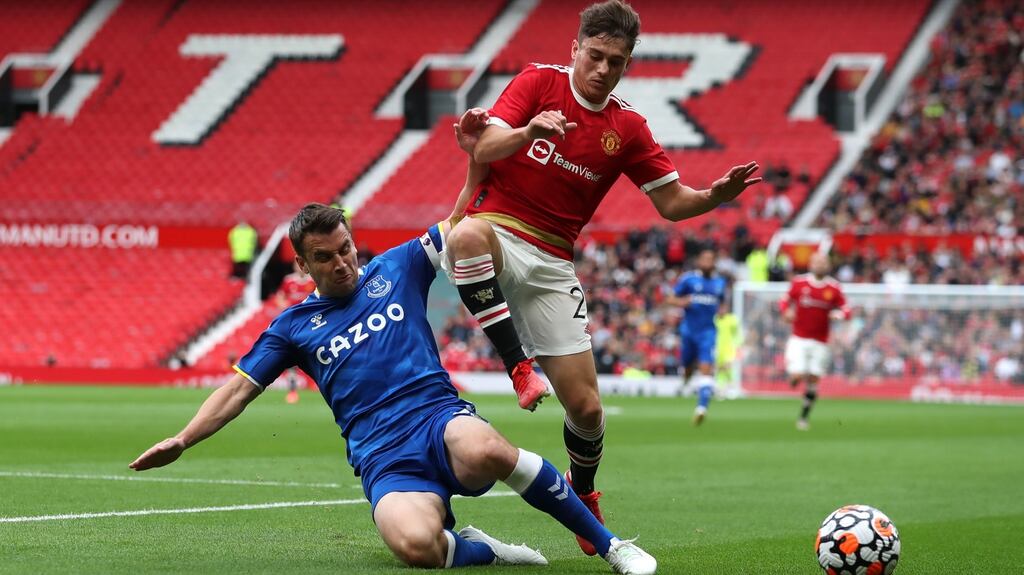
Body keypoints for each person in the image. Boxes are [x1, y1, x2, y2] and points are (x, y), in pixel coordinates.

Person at [129, 204, 657, 574]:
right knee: (416, 548)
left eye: (346, 249)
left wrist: (479, 156)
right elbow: (238, 391)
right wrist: (183, 439)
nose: (342, 263)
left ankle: (612, 548)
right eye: (325, 257)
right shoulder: (292, 327)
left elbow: (459, 221)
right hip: (383, 457)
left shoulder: (397, 268)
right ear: (302, 264)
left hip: (437, 419)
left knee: (489, 447)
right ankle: (485, 550)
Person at [445, 0, 761, 553]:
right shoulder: (537, 83)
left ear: (627, 63)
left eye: (616, 61)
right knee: (462, 238)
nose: (602, 69)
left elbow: (671, 202)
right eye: (595, 55)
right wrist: (527, 130)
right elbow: (483, 146)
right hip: (497, 227)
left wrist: (716, 195)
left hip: (552, 261)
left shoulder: (628, 126)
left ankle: (584, 492)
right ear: (576, 48)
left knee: (588, 409)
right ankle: (518, 365)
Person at [780, 252, 851, 431]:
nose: (820, 265)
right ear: (810, 264)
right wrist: (786, 311)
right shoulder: (799, 283)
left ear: (828, 266)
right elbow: (784, 301)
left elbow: (847, 309)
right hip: (799, 338)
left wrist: (839, 314)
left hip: (821, 341)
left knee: (813, 380)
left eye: (823, 262)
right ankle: (795, 379)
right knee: (798, 374)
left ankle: (803, 416)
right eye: (817, 262)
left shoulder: (834, 288)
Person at [667, 249, 726, 425]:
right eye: (705, 259)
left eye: (711, 259)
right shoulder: (688, 279)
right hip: (688, 332)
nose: (708, 262)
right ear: (699, 261)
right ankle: (685, 381)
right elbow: (670, 298)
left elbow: (722, 302)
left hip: (708, 332)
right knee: (687, 367)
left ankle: (702, 408)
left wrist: (722, 311)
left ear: (714, 262)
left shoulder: (720, 283)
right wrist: (681, 302)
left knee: (706, 366)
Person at [274, 260, 316, 403]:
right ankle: (292, 391)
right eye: (296, 266)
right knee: (291, 357)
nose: (298, 268)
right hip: (292, 325)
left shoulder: (313, 280)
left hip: (310, 324)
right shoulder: (289, 281)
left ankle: (316, 384)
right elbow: (280, 297)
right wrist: (285, 309)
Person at [714, 300, 741, 400]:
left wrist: (738, 346)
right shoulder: (714, 319)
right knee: (720, 368)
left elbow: (738, 334)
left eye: (723, 308)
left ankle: (732, 387)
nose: (721, 310)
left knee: (727, 367)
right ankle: (720, 389)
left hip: (729, 348)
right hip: (717, 348)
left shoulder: (732, 319)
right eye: (719, 308)